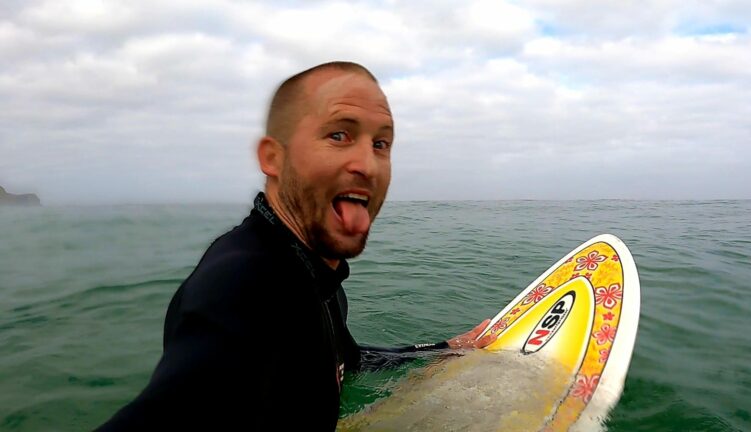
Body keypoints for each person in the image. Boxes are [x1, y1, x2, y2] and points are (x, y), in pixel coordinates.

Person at [95, 61, 495, 431]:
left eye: (381, 144)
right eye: (339, 135)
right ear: (274, 157)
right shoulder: (243, 284)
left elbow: (349, 362)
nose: (367, 164)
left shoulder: (317, 277)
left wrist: (444, 349)